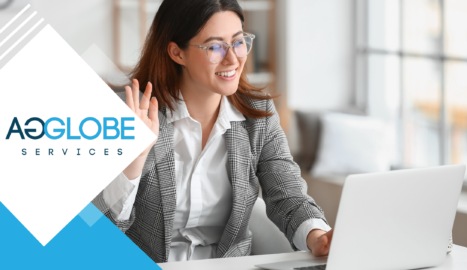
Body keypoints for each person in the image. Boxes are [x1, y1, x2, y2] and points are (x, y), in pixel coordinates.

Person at [93, 0, 333, 263]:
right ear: (177, 53)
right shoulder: (129, 112)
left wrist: (318, 236)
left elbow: (287, 195)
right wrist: (133, 162)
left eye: (239, 42)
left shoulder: (258, 116)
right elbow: (95, 234)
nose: (233, 59)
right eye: (215, 47)